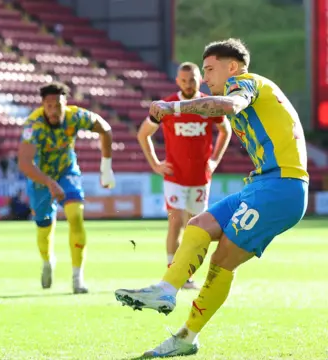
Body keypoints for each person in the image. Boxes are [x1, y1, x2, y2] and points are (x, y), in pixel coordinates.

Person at [115, 38, 308, 357]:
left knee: (221, 262)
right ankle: (165, 290)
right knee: (199, 225)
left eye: (209, 69)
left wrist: (174, 107)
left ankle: (186, 338)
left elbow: (230, 107)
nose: (204, 78)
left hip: (281, 188)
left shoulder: (244, 83)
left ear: (231, 67)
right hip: (262, 184)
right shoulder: (243, 87)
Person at [137, 62, 231, 290]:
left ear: (200, 80)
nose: (189, 84)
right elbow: (143, 134)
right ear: (177, 81)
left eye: (193, 79)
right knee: (176, 223)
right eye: (184, 80)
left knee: (196, 228)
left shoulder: (208, 105)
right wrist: (155, 164)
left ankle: (187, 275)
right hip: (175, 177)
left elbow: (225, 131)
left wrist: (214, 160)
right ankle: (172, 272)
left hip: (200, 178)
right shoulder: (167, 105)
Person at [17, 82, 115, 294]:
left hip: (66, 171)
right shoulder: (32, 125)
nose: (53, 110)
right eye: (49, 106)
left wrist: (106, 168)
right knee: (44, 225)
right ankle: (47, 261)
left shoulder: (75, 116)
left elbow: (105, 129)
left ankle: (77, 277)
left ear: (66, 104)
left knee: (75, 215)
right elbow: (24, 163)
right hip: (40, 177)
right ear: (43, 106)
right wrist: (50, 183)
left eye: (58, 105)